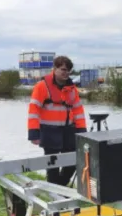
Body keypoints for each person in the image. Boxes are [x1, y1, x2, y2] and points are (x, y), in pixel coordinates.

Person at [27, 56, 87, 186]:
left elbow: (78, 111)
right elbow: (34, 110)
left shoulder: (72, 89)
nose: (66, 73)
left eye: (68, 70)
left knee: (73, 161)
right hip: (49, 132)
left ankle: (60, 186)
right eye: (63, 69)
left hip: (68, 131)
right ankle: (55, 191)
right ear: (54, 69)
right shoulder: (42, 86)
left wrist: (82, 131)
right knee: (52, 167)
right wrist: (33, 133)